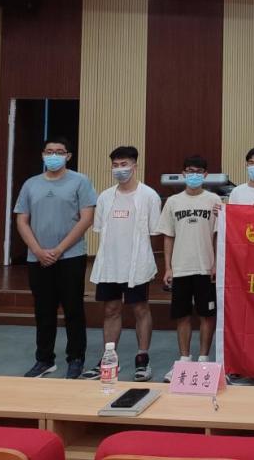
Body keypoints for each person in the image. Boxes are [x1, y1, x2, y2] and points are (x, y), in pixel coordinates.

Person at [14, 137, 97, 379]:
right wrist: (38, 250)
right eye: (49, 151)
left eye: (59, 152)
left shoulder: (80, 181)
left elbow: (86, 218)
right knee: (43, 310)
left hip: (71, 256)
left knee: (73, 309)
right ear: (42, 155)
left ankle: (76, 358)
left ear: (68, 156)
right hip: (38, 258)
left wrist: (59, 249)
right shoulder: (31, 184)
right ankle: (44, 360)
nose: (54, 156)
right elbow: (22, 220)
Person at [82, 146, 162, 382]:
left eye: (124, 165)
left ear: (135, 166)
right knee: (110, 309)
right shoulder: (105, 197)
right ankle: (109, 359)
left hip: (136, 265)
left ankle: (142, 358)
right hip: (110, 264)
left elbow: (154, 231)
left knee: (140, 309)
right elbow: (100, 229)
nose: (119, 169)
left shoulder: (149, 196)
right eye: (115, 165)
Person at [157, 154, 219, 382]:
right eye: (190, 171)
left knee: (207, 314)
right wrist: (168, 268)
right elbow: (168, 236)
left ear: (205, 174)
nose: (194, 175)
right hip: (181, 268)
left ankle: (203, 360)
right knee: (181, 314)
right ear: (183, 173)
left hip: (206, 268)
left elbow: (218, 235)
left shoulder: (214, 200)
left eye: (198, 172)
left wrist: (216, 263)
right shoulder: (173, 202)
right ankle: (184, 359)